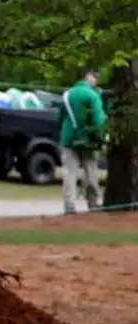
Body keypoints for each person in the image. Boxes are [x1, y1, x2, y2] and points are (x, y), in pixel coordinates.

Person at [58, 67, 108, 214]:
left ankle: (69, 206)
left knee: (69, 173)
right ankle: (92, 203)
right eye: (95, 77)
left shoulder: (67, 94)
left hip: (68, 138)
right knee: (91, 171)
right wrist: (101, 139)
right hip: (88, 140)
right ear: (88, 76)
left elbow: (60, 118)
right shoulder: (93, 95)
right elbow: (98, 120)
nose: (96, 80)